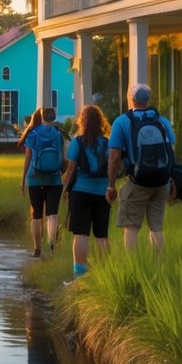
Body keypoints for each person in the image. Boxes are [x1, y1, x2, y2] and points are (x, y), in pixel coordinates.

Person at [107, 84, 175, 251]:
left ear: (131, 99)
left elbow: (114, 156)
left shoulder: (122, 121)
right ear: (149, 99)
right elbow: (170, 150)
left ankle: (133, 264)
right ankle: (158, 264)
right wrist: (170, 178)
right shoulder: (162, 120)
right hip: (161, 182)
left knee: (131, 227)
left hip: (137, 182)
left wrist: (111, 185)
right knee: (156, 228)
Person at [62, 104, 111, 278]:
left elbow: (71, 170)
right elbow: (114, 166)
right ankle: (106, 274)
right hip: (103, 193)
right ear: (100, 122)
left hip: (80, 192)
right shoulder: (107, 143)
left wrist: (64, 190)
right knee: (102, 236)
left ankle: (79, 276)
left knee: (81, 235)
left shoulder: (77, 142)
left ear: (82, 121)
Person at [21, 107, 63, 257]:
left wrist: (23, 180)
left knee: (37, 214)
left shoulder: (33, 133)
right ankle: (52, 245)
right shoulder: (58, 133)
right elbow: (62, 155)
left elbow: (28, 157)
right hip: (54, 178)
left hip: (35, 178)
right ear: (53, 117)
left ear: (40, 116)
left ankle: (37, 249)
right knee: (53, 214)